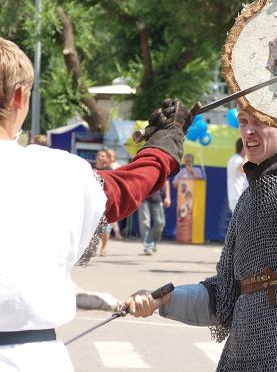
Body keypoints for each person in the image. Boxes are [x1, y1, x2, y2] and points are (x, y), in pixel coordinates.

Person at [0, 37, 191, 372]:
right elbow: (128, 188)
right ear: (19, 97)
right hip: (27, 359)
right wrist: (164, 146)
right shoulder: (57, 171)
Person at [126, 108, 277, 372]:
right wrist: (163, 300)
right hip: (243, 350)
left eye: (259, 123)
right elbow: (223, 295)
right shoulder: (246, 203)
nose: (249, 131)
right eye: (243, 122)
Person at [138, 180, 171, 255]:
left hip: (157, 198)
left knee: (160, 223)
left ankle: (153, 242)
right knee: (144, 223)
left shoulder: (159, 168)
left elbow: (166, 181)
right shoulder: (143, 168)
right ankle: (148, 246)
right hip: (143, 198)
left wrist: (168, 197)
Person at [106, 148, 124, 240]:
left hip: (114, 192)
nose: (111, 158)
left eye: (113, 157)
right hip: (106, 192)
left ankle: (116, 233)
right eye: (109, 156)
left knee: (113, 214)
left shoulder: (117, 166)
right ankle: (115, 233)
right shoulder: (104, 166)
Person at [226, 138, 248, 212]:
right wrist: (247, 154)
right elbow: (242, 168)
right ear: (243, 147)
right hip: (237, 197)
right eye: (247, 146)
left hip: (239, 198)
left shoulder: (239, 158)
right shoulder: (236, 159)